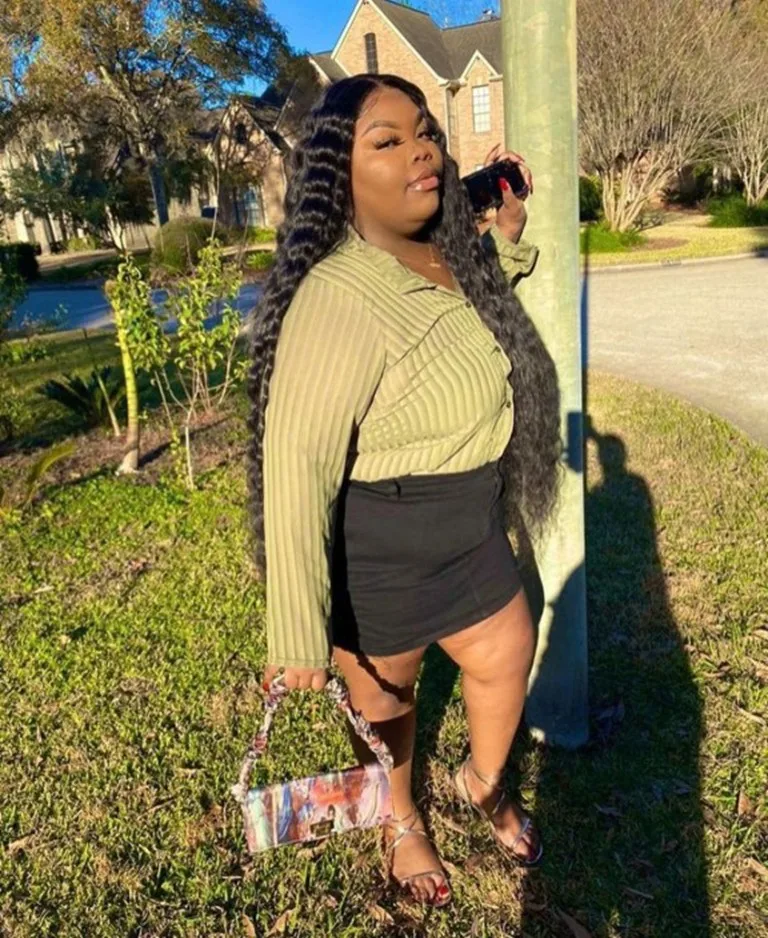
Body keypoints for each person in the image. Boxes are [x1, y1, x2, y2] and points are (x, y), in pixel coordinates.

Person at [246, 74, 561, 908]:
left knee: (505, 653)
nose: (421, 149)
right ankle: (400, 821)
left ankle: (482, 782)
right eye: (387, 141)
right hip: (381, 548)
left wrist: (507, 239)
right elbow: (296, 462)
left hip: (468, 524)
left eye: (426, 132)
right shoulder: (338, 296)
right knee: (387, 709)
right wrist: (297, 631)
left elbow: (461, 329)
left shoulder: (441, 256)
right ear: (338, 177)